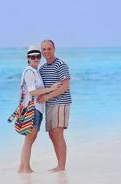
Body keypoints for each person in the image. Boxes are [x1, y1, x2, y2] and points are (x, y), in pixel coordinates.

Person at [18, 45, 61, 173]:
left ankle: (23, 167)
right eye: (32, 57)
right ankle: (25, 168)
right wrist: (51, 89)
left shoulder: (35, 71)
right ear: (28, 58)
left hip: (37, 109)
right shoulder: (29, 72)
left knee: (30, 139)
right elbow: (32, 92)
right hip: (32, 109)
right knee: (30, 139)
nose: (35, 59)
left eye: (37, 56)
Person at [38, 39, 72, 172]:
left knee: (58, 134)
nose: (46, 51)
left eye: (49, 48)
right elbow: (41, 87)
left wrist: (47, 96)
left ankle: (61, 166)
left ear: (54, 49)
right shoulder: (42, 69)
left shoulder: (61, 64)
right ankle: (59, 164)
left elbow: (65, 86)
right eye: (44, 49)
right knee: (52, 135)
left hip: (61, 103)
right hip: (49, 105)